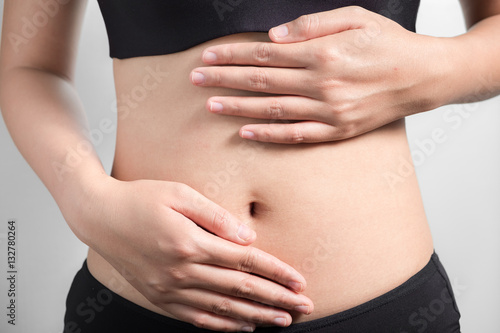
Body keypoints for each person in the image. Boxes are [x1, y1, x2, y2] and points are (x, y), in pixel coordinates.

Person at [0, 0, 498, 332]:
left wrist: (430, 70)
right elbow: (27, 66)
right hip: (140, 301)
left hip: (386, 310)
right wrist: (86, 201)